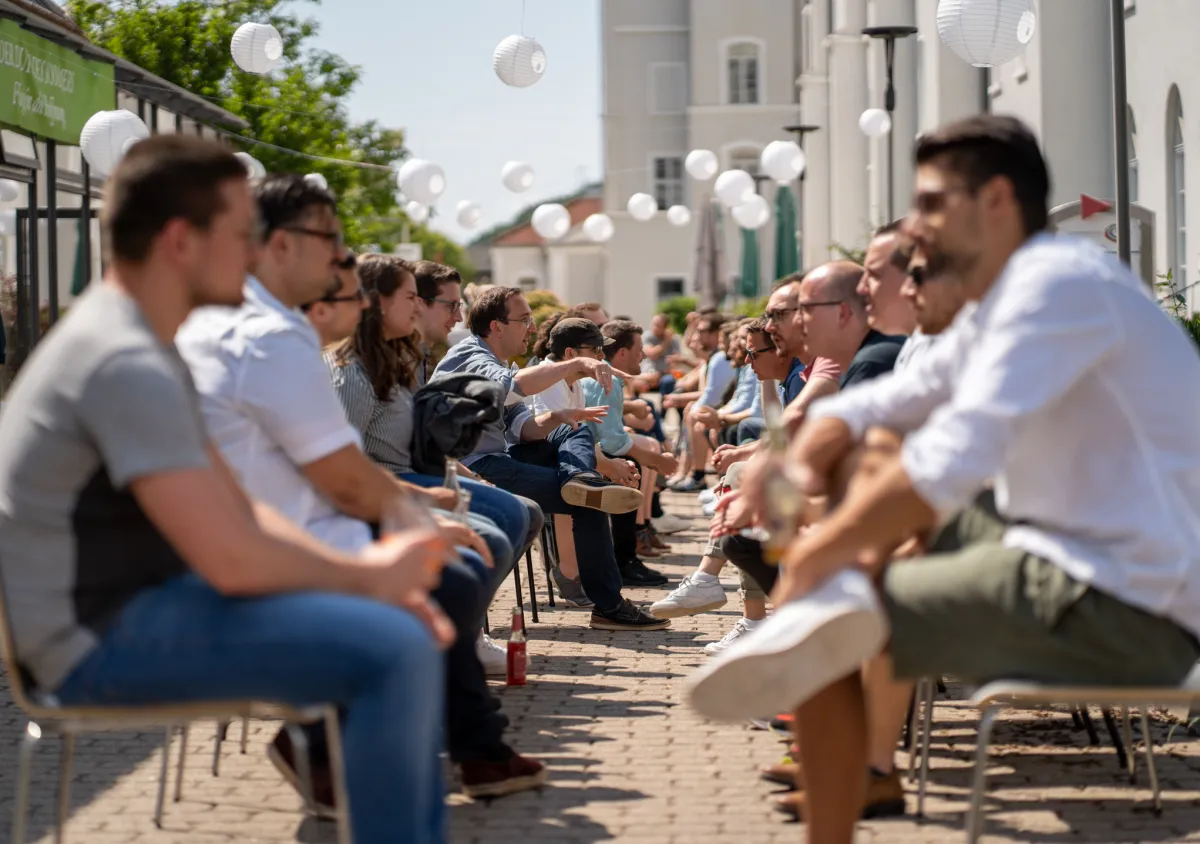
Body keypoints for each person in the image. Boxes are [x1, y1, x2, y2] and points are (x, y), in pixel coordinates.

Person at [692, 114, 1200, 843]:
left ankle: (846, 758)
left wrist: (820, 544)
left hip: (1137, 601)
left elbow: (954, 452)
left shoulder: (1058, 288)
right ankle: (850, 740)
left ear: (994, 200)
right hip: (1074, 560)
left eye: (931, 203)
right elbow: (887, 403)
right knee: (844, 557)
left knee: (830, 612)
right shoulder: (1013, 295)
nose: (917, 226)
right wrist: (791, 460)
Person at [0, 135, 450, 844]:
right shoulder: (124, 359)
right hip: (90, 642)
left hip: (137, 608)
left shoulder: (143, 341)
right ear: (181, 240)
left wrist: (367, 579)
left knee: (391, 633)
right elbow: (232, 558)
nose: (254, 252)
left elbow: (244, 513)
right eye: (242, 235)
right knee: (389, 648)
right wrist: (366, 580)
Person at [176, 174, 542, 805]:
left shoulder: (259, 329)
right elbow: (336, 471)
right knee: (447, 570)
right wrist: (412, 510)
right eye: (331, 241)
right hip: (256, 552)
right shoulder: (273, 337)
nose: (339, 259)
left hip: (275, 531)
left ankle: (360, 737)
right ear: (282, 245)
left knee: (455, 559)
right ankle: (388, 742)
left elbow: (324, 467)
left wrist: (414, 505)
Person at [320, 255, 543, 682]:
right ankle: (449, 644)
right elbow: (344, 464)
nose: (423, 310)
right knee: (505, 523)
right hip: (387, 488)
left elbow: (414, 440)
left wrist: (450, 473)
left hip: (412, 479)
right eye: (411, 299)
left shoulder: (399, 359)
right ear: (377, 303)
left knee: (519, 512)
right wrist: (422, 494)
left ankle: (457, 638)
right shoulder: (352, 371)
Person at [435, 287, 669, 630]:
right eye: (524, 319)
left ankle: (580, 480)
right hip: (473, 469)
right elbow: (513, 386)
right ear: (497, 326)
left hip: (498, 458)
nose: (532, 328)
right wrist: (574, 363)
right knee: (589, 502)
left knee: (577, 433)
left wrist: (562, 416)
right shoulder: (470, 355)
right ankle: (609, 605)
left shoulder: (497, 360)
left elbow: (525, 429)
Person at [411, 260, 544, 567]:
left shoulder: (416, 356)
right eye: (452, 306)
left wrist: (564, 418)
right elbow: (506, 388)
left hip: (453, 468)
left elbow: (520, 423)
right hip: (443, 470)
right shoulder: (469, 352)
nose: (459, 317)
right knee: (526, 512)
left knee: (566, 448)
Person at [580, 320, 681, 586]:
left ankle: (628, 551)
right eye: (639, 349)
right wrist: (657, 460)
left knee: (631, 459)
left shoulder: (607, 378)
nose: (644, 354)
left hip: (583, 450)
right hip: (580, 457)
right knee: (628, 463)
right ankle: (623, 561)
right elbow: (612, 442)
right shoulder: (608, 380)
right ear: (622, 353)